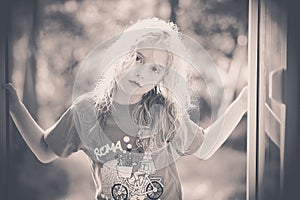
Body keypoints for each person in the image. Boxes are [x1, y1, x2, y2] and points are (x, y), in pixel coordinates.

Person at [2, 18, 247, 200]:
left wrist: (245, 101)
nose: (141, 72)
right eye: (138, 57)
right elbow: (45, 150)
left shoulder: (163, 113)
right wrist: (13, 104)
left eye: (155, 68)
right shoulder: (86, 111)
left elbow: (205, 147)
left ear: (162, 77)